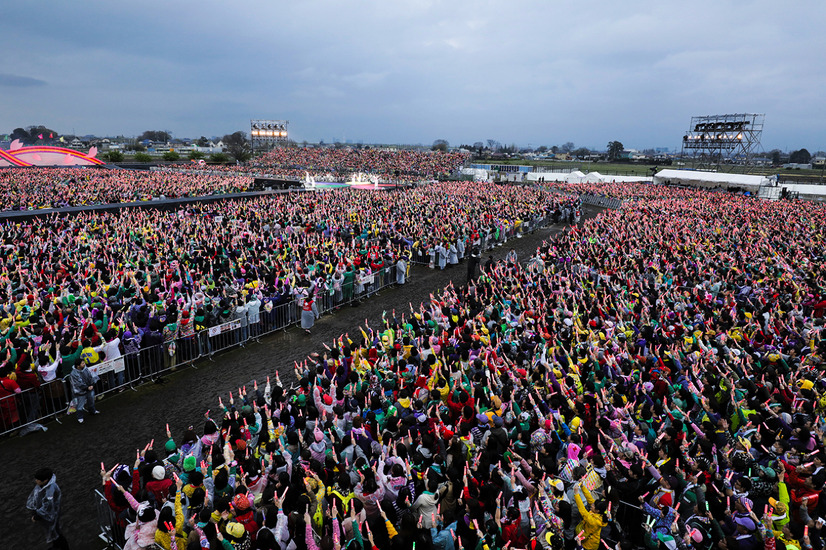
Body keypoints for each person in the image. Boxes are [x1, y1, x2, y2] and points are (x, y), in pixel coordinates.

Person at [27, 467, 69, 550]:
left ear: (45, 480)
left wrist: (37, 516)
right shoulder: (46, 485)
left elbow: (48, 507)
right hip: (53, 514)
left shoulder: (50, 490)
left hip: (53, 515)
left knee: (56, 532)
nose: (36, 481)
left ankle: (61, 547)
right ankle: (59, 546)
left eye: (38, 479)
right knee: (55, 532)